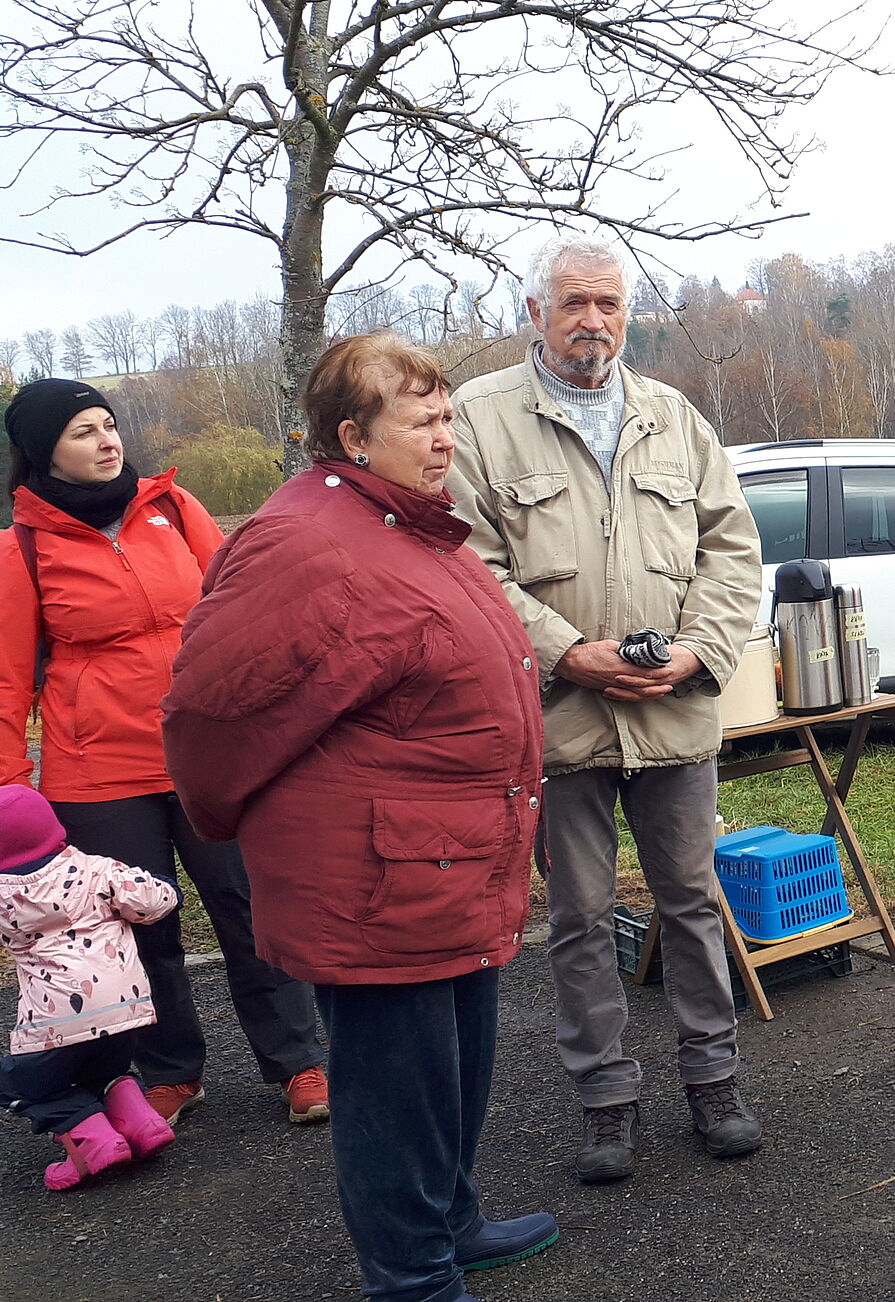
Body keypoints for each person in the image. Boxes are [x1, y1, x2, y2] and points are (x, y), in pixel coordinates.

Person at [162, 332, 557, 1302]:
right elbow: (211, 716)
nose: (444, 437)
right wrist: (231, 826)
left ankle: (451, 1225)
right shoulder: (304, 543)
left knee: (452, 1078)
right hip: (376, 883)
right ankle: (411, 1279)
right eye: (421, 420)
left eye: (447, 415)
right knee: (394, 1098)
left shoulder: (406, 523)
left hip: (448, 867)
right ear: (351, 436)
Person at [446, 233, 764, 1185]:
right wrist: (568, 653)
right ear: (533, 314)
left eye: (609, 305)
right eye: (574, 304)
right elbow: (467, 566)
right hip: (560, 720)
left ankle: (715, 1080)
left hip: (672, 715)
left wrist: (701, 649)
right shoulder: (480, 419)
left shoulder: (675, 417)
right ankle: (606, 1101)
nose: (593, 322)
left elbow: (731, 549)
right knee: (579, 919)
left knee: (695, 903)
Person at [1, 377, 328, 1129]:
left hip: (205, 752)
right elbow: (8, 679)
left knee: (251, 908)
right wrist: (13, 791)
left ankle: (298, 1063)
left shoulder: (174, 510)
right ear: (42, 451)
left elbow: (245, 612)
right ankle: (171, 1072)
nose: (107, 440)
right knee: (138, 928)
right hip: (99, 770)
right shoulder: (21, 550)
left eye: (108, 425)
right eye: (83, 431)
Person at [0, 783, 180, 1191]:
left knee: (22, 1082)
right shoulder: (99, 869)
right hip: (125, 1007)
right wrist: (169, 887)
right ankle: (141, 1122)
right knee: (104, 1068)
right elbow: (154, 902)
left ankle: (93, 1142)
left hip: (54, 1022)